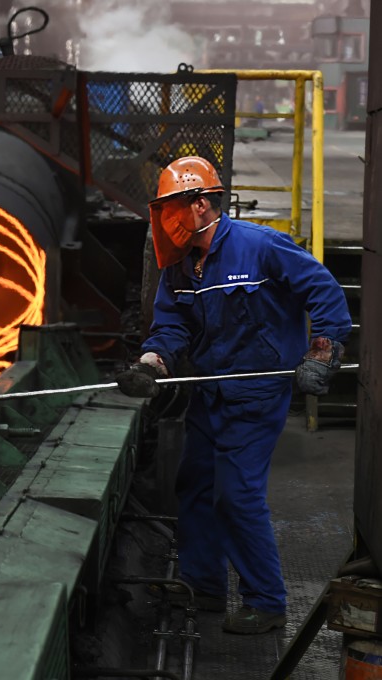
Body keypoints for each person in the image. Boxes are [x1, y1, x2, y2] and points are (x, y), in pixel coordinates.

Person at [116, 156, 351, 635]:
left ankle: (266, 601)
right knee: (196, 484)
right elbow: (171, 324)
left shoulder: (259, 246)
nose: (165, 219)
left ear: (200, 204)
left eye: (171, 208)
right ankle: (203, 587)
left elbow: (323, 289)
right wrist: (151, 363)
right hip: (210, 389)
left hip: (257, 391)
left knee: (237, 496)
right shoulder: (181, 267)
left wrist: (323, 351)